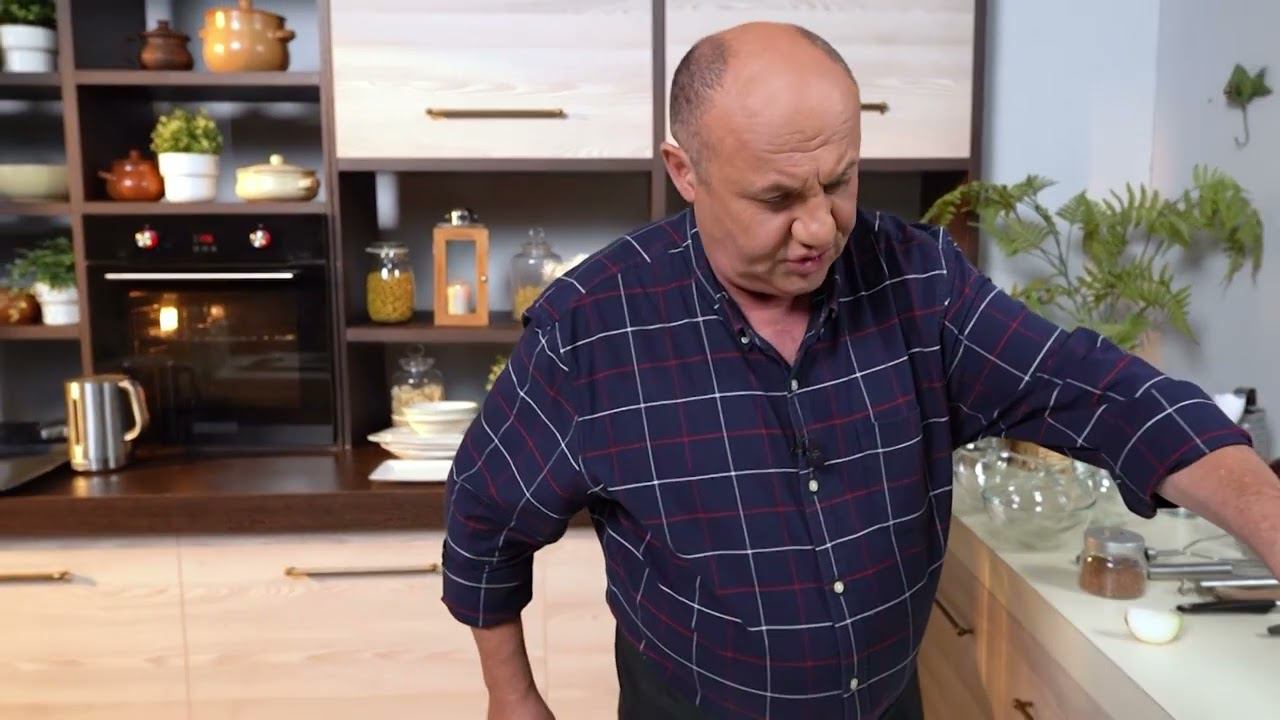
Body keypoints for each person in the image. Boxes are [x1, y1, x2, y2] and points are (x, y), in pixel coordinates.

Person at [440, 21, 1280, 720]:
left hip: (884, 701)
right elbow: (485, 519)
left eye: (840, 181)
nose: (819, 229)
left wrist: (1269, 518)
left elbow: (1105, 394)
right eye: (777, 199)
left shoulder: (919, 280)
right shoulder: (592, 328)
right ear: (685, 170)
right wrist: (511, 697)